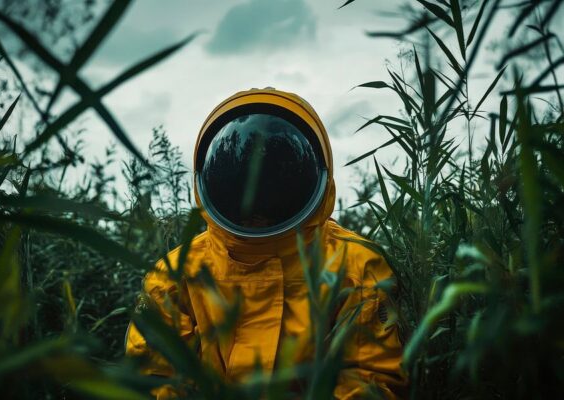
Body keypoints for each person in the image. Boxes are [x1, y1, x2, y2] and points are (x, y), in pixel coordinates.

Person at [125, 88, 406, 399]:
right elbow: (155, 382)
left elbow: (368, 382)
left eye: (274, 188)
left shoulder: (355, 267)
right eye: (239, 186)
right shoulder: (174, 278)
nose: (257, 212)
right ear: (211, 180)